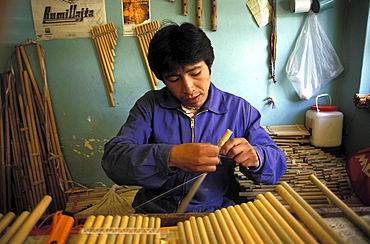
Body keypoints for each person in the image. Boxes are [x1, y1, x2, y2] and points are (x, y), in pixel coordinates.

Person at [102, 22, 287, 214]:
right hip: (156, 212)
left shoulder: (238, 110)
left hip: (218, 212)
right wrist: (170, 157)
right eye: (174, 79)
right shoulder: (150, 106)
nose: (188, 88)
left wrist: (257, 157)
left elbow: (276, 166)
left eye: (195, 73)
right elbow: (114, 161)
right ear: (162, 78)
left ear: (210, 67)